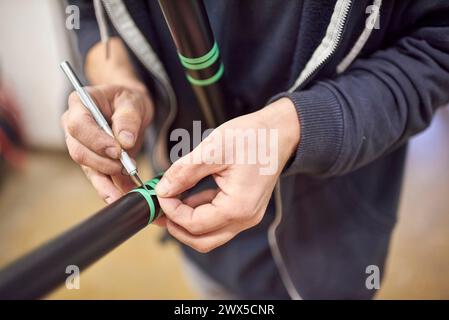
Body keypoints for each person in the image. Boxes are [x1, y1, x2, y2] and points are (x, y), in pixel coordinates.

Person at [63, 0, 449, 299]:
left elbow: (437, 45)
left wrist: (292, 127)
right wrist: (121, 82)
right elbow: (88, 12)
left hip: (330, 248)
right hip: (199, 236)